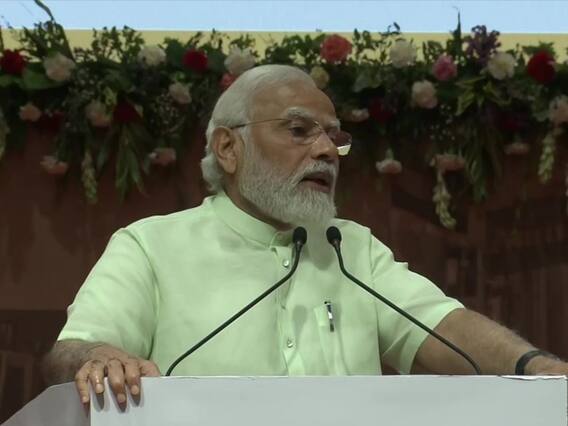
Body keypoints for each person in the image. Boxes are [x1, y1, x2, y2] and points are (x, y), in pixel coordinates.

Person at [43, 64, 567, 408]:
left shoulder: (351, 247)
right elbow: (70, 351)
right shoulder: (151, 246)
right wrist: (99, 357)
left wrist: (537, 368)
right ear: (228, 149)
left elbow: (441, 327)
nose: (326, 151)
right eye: (299, 131)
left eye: (334, 137)